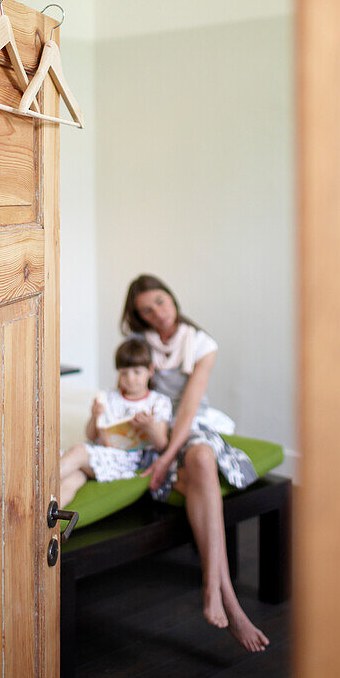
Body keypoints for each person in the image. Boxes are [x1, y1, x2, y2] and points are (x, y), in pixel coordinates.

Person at [121, 274, 269, 653]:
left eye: (160, 302)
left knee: (201, 455)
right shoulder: (138, 345)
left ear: (172, 297)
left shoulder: (202, 344)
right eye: (146, 310)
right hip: (152, 426)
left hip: (189, 424)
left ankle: (213, 588)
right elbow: (131, 393)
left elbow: (188, 408)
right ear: (138, 316)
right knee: (204, 487)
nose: (157, 313)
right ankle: (229, 603)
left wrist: (167, 456)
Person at [59, 337, 172, 507]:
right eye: (124, 373)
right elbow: (91, 435)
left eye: (136, 372)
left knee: (78, 451)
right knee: (71, 480)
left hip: (130, 460)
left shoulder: (158, 402)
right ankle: (41, 524)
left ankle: (35, 486)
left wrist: (149, 427)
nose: (130, 379)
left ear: (150, 370)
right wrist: (94, 417)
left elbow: (162, 444)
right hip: (102, 454)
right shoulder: (109, 397)